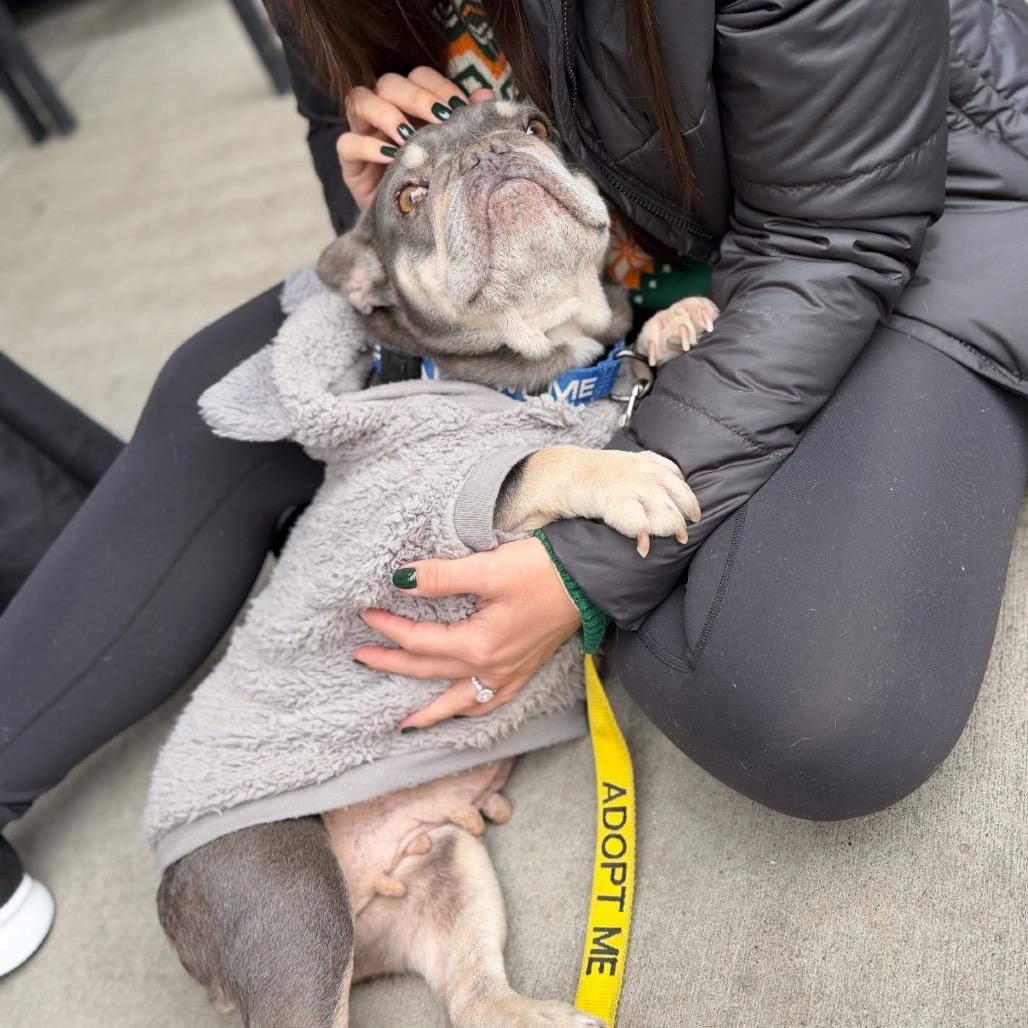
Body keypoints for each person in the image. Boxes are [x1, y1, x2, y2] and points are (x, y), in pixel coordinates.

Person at [3, 0, 1027, 976]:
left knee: (811, 711)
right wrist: (385, 184)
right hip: (580, 263)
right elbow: (354, 183)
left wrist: (579, 569)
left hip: (881, 220)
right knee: (228, 398)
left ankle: (647, 456)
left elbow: (833, 234)